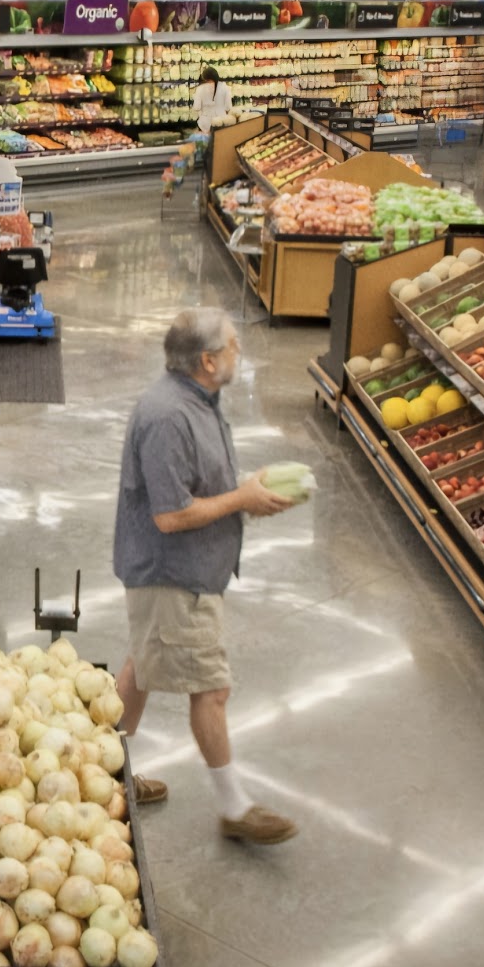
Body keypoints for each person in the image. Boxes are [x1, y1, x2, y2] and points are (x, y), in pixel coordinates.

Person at [112, 307, 299, 846]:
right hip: (174, 576)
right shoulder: (169, 416)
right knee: (212, 690)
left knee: (139, 672)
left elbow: (195, 484)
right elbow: (170, 516)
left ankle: (103, 774)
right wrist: (241, 498)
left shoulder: (199, 401)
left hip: (184, 573)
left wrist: (246, 490)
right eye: (235, 345)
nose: (241, 352)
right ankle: (235, 807)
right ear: (208, 359)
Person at [191, 66, 232, 135]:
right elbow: (228, 107)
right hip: (221, 123)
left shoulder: (200, 89)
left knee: (206, 144)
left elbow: (197, 107)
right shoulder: (225, 88)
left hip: (204, 124)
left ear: (204, 77)